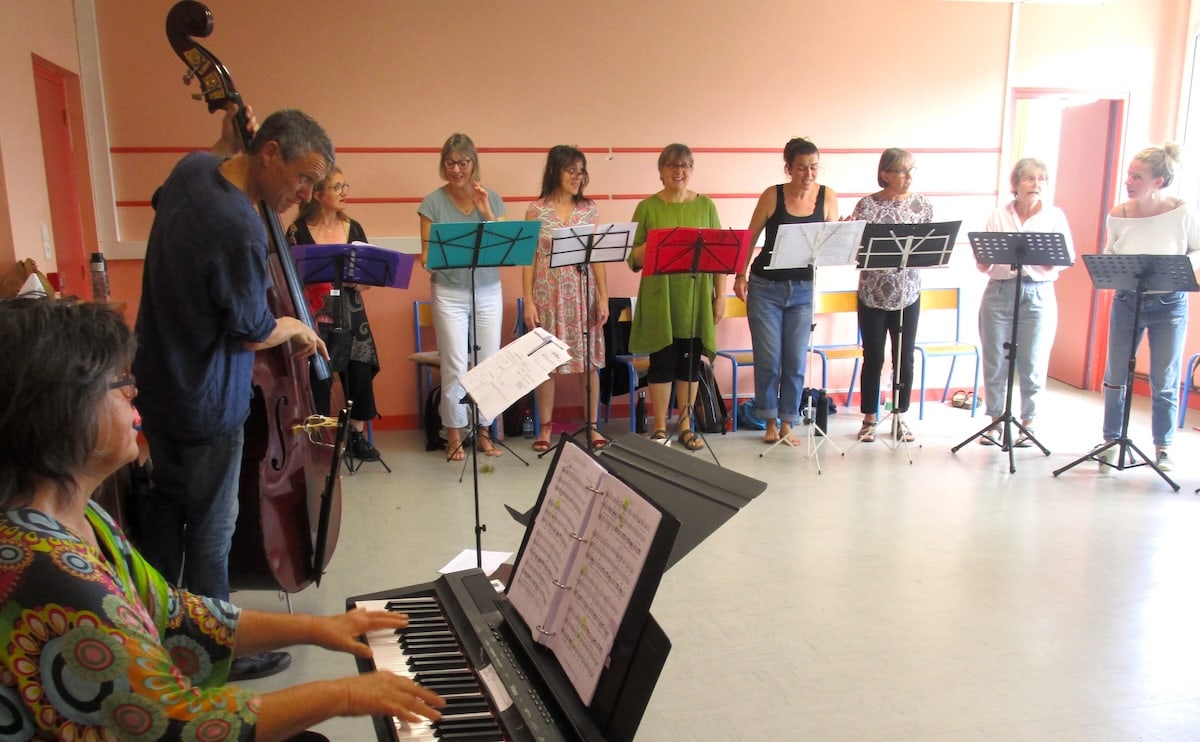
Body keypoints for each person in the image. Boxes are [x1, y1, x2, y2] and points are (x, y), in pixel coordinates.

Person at [0, 298, 445, 741]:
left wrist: (319, 628)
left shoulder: (77, 515)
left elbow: (169, 614)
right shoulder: (43, 569)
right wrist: (345, 695)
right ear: (60, 408)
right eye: (118, 382)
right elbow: (174, 725)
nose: (133, 391)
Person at [133, 108, 331, 681]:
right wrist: (293, 325)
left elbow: (203, 167)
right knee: (215, 531)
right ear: (269, 152)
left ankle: (157, 633)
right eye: (301, 177)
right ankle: (213, 655)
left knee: (168, 505)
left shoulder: (192, 170)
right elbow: (250, 330)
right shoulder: (240, 227)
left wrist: (225, 137)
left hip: (159, 380)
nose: (305, 193)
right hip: (206, 397)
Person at [1096, 143, 1200, 473]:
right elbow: (1110, 253)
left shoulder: (1182, 211)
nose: (1129, 181)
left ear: (1157, 181)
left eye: (1137, 176)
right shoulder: (1118, 214)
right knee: (1116, 373)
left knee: (1164, 376)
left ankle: (1163, 446)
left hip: (1169, 303)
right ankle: (1112, 440)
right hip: (1128, 301)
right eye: (1129, 174)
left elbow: (1197, 250)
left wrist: (1180, 264)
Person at [736, 137, 839, 446]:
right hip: (765, 287)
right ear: (788, 168)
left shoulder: (828, 196)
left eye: (814, 167)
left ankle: (787, 424)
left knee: (795, 361)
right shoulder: (773, 195)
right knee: (769, 359)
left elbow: (832, 245)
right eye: (801, 168)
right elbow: (750, 237)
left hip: (804, 289)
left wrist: (843, 234)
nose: (809, 174)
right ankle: (768, 421)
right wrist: (739, 275)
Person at [627, 143, 725, 451]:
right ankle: (659, 427)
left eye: (684, 166)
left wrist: (719, 297)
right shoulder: (647, 208)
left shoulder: (706, 206)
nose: (678, 171)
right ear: (661, 171)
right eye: (672, 165)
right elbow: (634, 258)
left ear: (691, 170)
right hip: (660, 298)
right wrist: (659, 242)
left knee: (690, 362)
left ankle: (685, 425)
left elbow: (720, 255)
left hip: (696, 297)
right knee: (662, 362)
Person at [418, 133, 506, 462]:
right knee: (455, 362)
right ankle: (453, 433)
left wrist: (485, 210)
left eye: (463, 162)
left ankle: (484, 432)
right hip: (449, 291)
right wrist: (433, 257)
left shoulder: (491, 198)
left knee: (489, 364)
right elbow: (427, 253)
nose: (457, 169)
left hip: (487, 289)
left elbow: (502, 243)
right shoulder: (432, 203)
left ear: (473, 164)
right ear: (443, 165)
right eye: (450, 163)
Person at [977, 158, 1074, 447]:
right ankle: (995, 421)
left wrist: (1042, 258)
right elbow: (984, 261)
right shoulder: (998, 215)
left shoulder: (1055, 215)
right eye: (1030, 178)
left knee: (1033, 360)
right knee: (995, 358)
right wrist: (984, 258)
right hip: (1000, 289)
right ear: (1016, 184)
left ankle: (1028, 423)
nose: (1036, 184)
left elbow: (1066, 257)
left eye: (1041, 179)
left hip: (1038, 291)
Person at [287, 167, 382, 462]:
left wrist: (359, 281)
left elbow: (369, 279)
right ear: (317, 195)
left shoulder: (354, 228)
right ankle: (319, 437)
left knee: (360, 370)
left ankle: (355, 435)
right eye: (337, 187)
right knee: (318, 376)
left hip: (352, 312)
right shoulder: (297, 231)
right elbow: (288, 277)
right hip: (316, 315)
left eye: (344, 186)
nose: (344, 193)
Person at [523, 146, 610, 451]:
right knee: (545, 362)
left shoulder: (588, 209)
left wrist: (603, 296)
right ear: (554, 171)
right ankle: (544, 428)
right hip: (546, 294)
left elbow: (597, 255)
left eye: (581, 170)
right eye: (570, 170)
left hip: (581, 293)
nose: (577, 177)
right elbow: (530, 258)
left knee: (589, 363)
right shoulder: (536, 210)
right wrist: (528, 301)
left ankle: (592, 426)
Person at [851, 148, 933, 443]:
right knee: (873, 356)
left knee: (905, 357)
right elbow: (857, 249)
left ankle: (900, 415)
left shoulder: (923, 206)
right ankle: (869, 418)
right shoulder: (867, 206)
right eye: (901, 171)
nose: (908, 176)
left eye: (911, 170)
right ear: (885, 174)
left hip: (907, 293)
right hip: (872, 292)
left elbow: (930, 249)